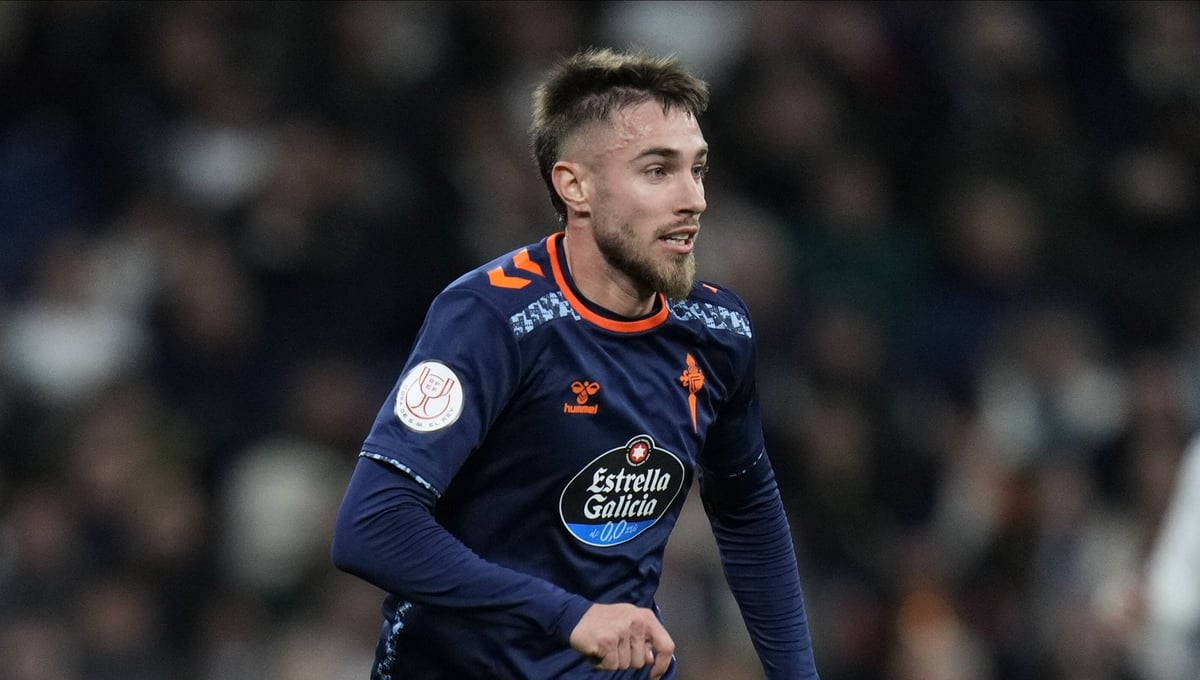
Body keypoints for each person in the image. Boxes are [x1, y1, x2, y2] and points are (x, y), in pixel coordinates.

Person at [331, 47, 820, 679]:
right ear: (575, 186)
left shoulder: (718, 330)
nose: (694, 199)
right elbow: (372, 527)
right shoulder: (490, 318)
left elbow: (747, 505)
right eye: (658, 171)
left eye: (697, 169)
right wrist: (568, 616)